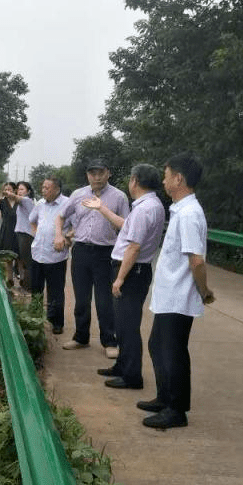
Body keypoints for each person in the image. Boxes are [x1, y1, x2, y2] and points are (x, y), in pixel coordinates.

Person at [138, 152, 215, 429]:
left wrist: (204, 291)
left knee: (173, 351)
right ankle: (164, 397)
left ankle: (176, 410)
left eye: (167, 175)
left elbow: (196, 260)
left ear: (178, 179)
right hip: (169, 295)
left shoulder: (189, 215)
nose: (163, 179)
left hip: (180, 297)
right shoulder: (181, 211)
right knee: (157, 345)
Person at [82, 164, 165, 390]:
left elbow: (134, 247)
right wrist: (102, 208)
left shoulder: (144, 209)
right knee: (122, 323)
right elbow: (126, 226)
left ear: (135, 181)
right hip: (135, 270)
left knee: (128, 327)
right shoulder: (149, 205)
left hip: (131, 271)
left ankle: (131, 376)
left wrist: (119, 278)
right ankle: (122, 366)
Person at [54, 158, 129, 358]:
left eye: (100, 173)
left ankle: (109, 341)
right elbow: (60, 216)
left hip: (106, 253)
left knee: (105, 300)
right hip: (81, 252)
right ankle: (81, 337)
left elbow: (127, 226)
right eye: (92, 173)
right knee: (81, 298)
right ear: (87, 175)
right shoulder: (78, 195)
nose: (96, 177)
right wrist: (59, 234)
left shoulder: (119, 197)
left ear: (108, 173)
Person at [28, 177, 69, 334]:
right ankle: (34, 319)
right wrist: (37, 234)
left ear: (57, 189)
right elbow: (32, 220)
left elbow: (76, 226)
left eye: (47, 188)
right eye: (43, 187)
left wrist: (66, 237)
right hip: (37, 253)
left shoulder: (67, 204)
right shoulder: (39, 204)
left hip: (56, 256)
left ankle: (56, 322)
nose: (43, 190)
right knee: (36, 289)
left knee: (55, 291)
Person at [4, 180, 36, 293]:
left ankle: (29, 288)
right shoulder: (20, 203)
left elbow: (16, 198)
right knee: (22, 260)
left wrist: (9, 193)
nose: (19, 191)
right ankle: (26, 286)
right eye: (18, 189)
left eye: (22, 189)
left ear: (28, 192)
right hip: (20, 234)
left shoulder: (26, 200)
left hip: (26, 235)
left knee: (27, 262)